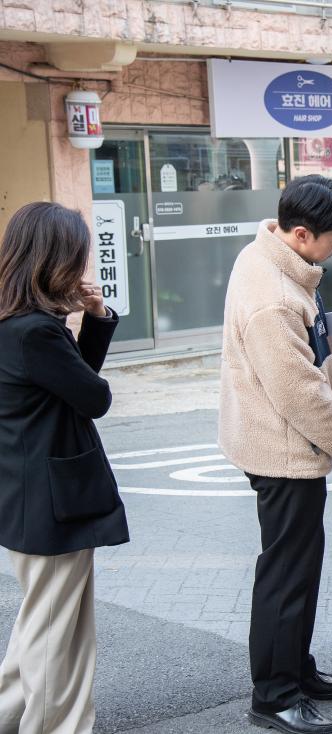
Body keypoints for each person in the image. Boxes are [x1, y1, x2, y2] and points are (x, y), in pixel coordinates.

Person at [219, 175, 332, 734]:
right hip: (282, 450)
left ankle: (295, 669)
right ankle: (274, 695)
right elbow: (297, 390)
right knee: (286, 574)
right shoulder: (274, 298)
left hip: (281, 444)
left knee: (298, 569)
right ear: (300, 233)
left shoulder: (270, 258)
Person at [0, 202, 127, 734]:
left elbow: (70, 386)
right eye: (78, 253)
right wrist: (85, 320)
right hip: (54, 499)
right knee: (58, 629)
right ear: (53, 258)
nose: (84, 264)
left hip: (26, 493)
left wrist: (92, 319)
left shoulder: (18, 324)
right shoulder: (36, 333)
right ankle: (53, 727)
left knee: (42, 614)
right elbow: (93, 396)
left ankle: (9, 713)